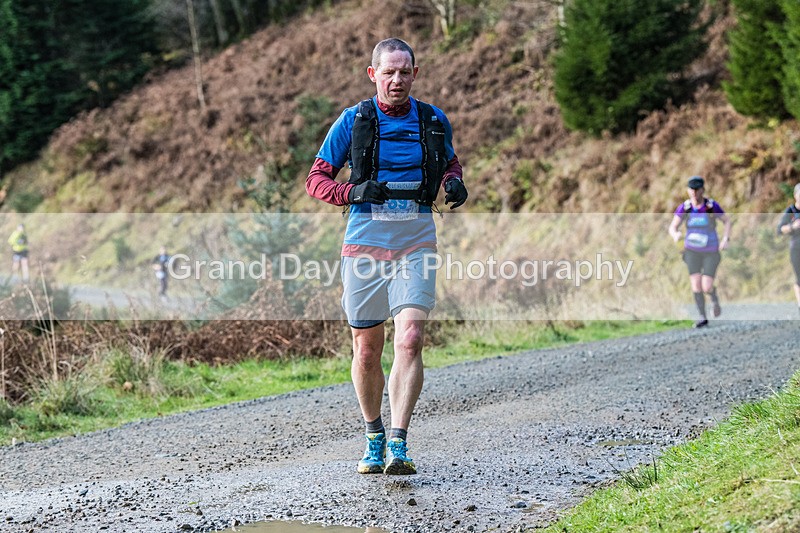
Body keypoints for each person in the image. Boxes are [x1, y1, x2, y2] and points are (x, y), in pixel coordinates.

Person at [305, 38, 467, 475]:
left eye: (405, 71)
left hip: (416, 238)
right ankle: (373, 435)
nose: (397, 80)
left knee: (411, 337)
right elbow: (316, 180)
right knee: (366, 348)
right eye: (388, 72)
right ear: (373, 74)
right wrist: (352, 191)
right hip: (364, 242)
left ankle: (399, 442)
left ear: (416, 73)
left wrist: (453, 181)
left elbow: (449, 162)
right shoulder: (353, 120)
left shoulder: (433, 119)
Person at [668, 176, 731, 328]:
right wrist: (675, 234)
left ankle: (714, 297)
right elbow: (673, 226)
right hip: (692, 251)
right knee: (696, 285)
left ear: (703, 190)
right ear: (688, 191)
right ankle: (702, 317)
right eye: (692, 190)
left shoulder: (711, 206)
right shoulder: (685, 207)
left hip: (711, 250)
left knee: (706, 286)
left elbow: (727, 220)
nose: (694, 193)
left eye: (697, 190)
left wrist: (725, 239)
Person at [777, 183, 800, 315]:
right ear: (795, 196)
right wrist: (793, 227)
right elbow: (780, 229)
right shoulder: (791, 211)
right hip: (796, 248)